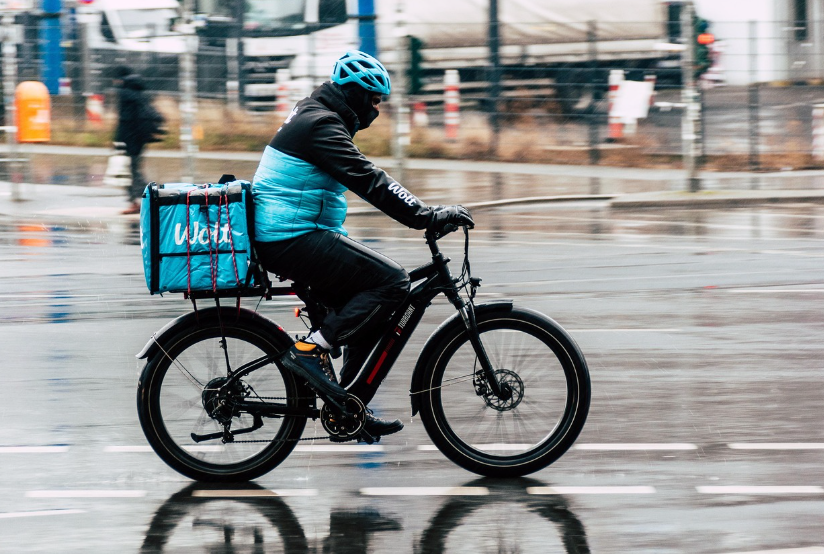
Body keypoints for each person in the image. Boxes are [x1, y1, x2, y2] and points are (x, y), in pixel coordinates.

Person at [252, 51, 474, 439]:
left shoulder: (319, 115)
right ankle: (312, 350)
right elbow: (370, 180)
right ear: (353, 93)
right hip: (289, 237)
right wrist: (426, 215)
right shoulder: (320, 125)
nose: (376, 110)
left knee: (372, 306)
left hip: (294, 232)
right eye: (373, 100)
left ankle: (348, 402)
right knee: (391, 282)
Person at [113, 66, 165, 215]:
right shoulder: (140, 93)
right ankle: (146, 199)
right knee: (134, 170)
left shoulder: (124, 94)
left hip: (129, 139)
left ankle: (147, 199)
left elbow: (125, 121)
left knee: (129, 172)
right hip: (141, 138)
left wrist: (118, 141)